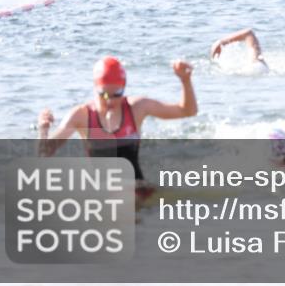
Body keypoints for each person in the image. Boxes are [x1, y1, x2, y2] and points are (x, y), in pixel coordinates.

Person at [38, 57, 198, 191]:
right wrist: (43, 129)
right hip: (102, 195)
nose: (110, 100)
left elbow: (187, 111)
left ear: (124, 88)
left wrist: (185, 80)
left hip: (137, 191)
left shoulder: (137, 108)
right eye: (104, 94)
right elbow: (44, 153)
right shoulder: (81, 116)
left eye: (117, 94)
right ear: (95, 88)